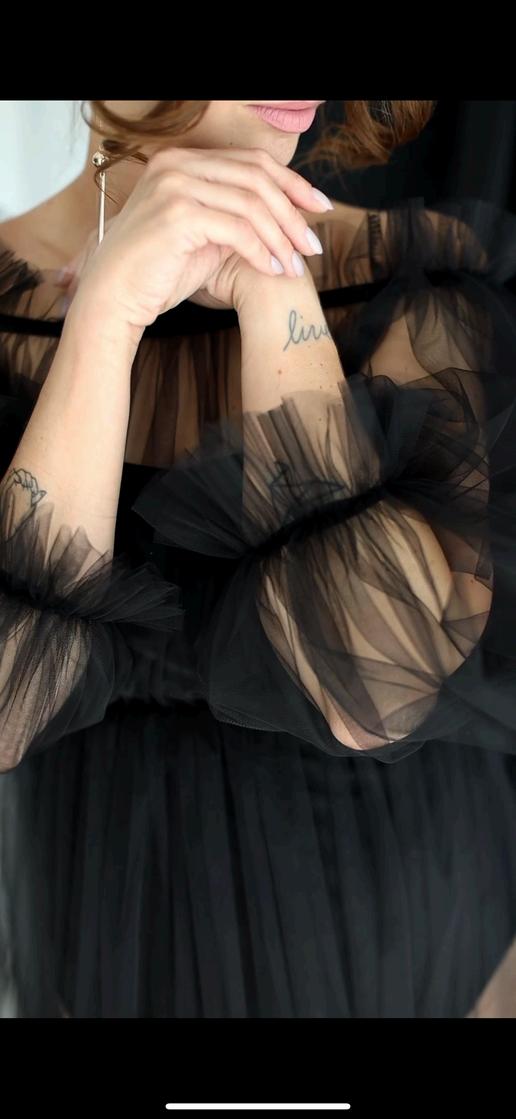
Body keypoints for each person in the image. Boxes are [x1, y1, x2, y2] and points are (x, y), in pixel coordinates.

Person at [1, 99, 516, 1018]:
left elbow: (372, 688)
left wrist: (276, 284)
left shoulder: (425, 277)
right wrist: (106, 321)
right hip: (113, 958)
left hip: (423, 951)